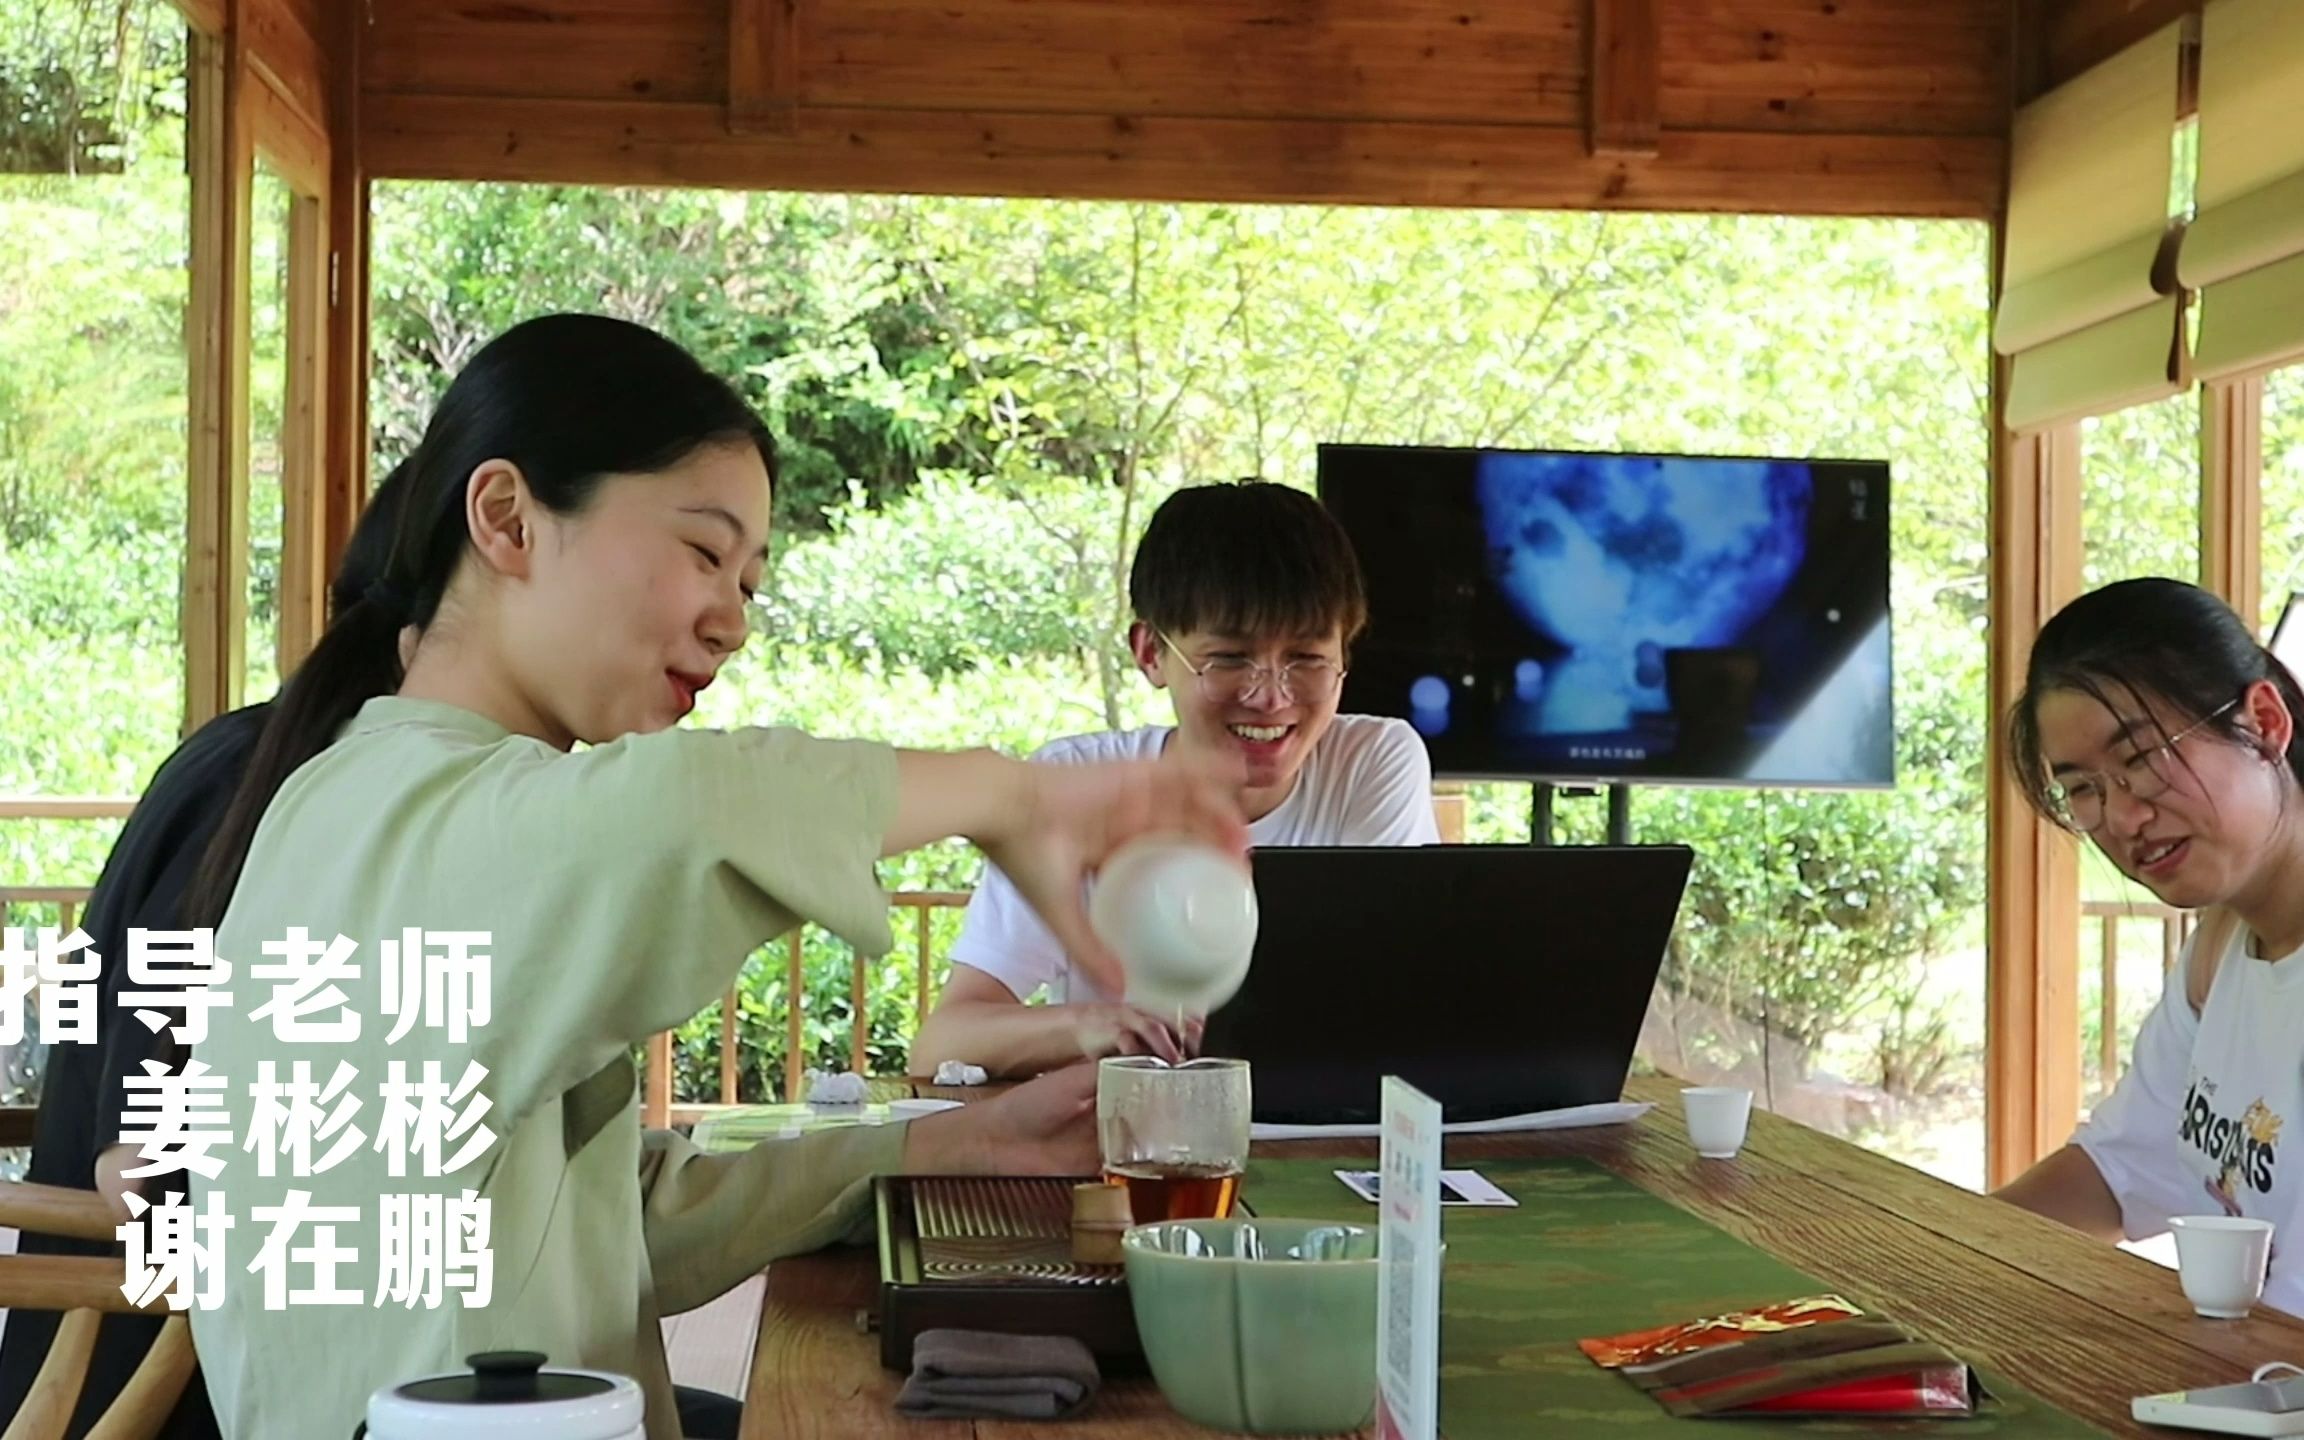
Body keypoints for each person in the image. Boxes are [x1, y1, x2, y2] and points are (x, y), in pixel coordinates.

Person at [173, 313, 1246, 1440]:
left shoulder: (406, 803)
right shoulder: (402, 809)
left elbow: (600, 1228)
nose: (731, 619)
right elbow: (691, 804)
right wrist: (1014, 796)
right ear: (508, 520)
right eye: (702, 551)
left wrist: (941, 1145)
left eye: (748, 577)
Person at [0, 461, 413, 1440]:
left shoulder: (257, 753)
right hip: (163, 1394)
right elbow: (142, 1173)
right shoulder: (283, 789)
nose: (725, 620)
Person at [910, 480, 1438, 1079]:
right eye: (1230, 659)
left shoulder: (1372, 762)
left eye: (1307, 659)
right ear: (1151, 653)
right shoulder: (1074, 783)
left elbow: (1398, 1003)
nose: (1271, 696)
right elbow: (944, 1043)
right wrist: (1097, 1024)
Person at [1996, 577, 2304, 1318]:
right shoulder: (2222, 953)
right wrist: (1915, 1252)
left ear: (2264, 722)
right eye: (2083, 788)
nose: (2124, 816)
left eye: (2142, 757)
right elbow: (2115, 1174)